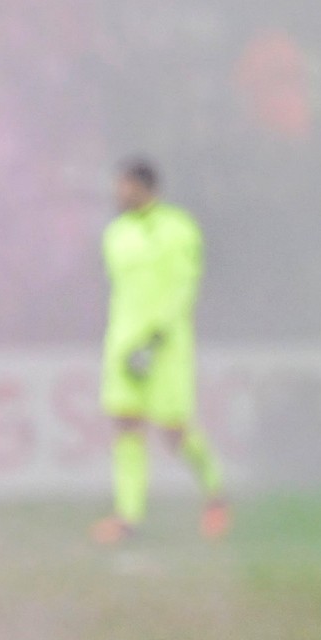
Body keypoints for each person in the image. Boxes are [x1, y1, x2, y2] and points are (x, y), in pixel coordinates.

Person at [95, 158, 228, 543]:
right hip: (123, 344)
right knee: (125, 423)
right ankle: (128, 516)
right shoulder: (115, 233)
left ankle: (216, 493)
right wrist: (128, 342)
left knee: (174, 432)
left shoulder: (179, 228)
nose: (118, 194)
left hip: (166, 346)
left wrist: (154, 340)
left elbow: (184, 287)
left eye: (125, 187)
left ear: (144, 187)